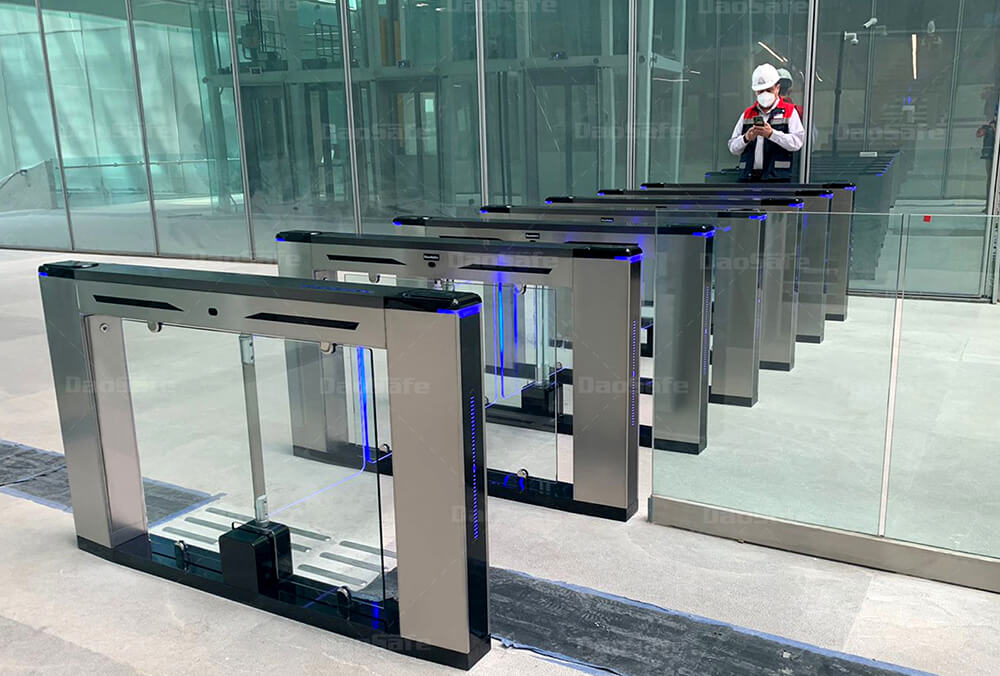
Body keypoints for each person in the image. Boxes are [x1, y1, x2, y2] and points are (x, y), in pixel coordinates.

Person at [728, 64, 805, 182]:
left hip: (777, 179)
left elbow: (797, 142)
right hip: (749, 179)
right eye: (760, 91)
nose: (765, 94)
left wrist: (772, 134)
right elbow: (733, 147)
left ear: (777, 88)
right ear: (755, 92)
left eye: (769, 90)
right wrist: (746, 138)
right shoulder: (747, 114)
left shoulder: (789, 112)